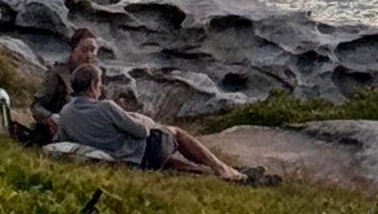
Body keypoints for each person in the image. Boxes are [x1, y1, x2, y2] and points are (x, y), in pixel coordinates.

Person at [47, 64, 236, 179]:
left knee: (167, 160)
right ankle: (220, 168)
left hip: (131, 161)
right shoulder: (106, 107)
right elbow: (141, 132)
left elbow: (64, 138)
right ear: (92, 86)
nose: (101, 87)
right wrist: (142, 120)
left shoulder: (65, 112)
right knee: (175, 132)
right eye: (99, 83)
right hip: (144, 152)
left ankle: (205, 172)